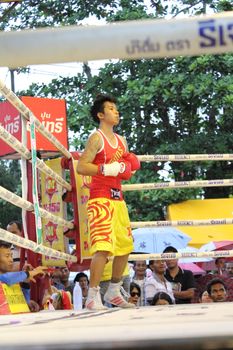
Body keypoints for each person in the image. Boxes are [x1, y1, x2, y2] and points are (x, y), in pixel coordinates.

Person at [77, 94, 140, 310]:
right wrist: (104, 168)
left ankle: (114, 290)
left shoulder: (122, 141)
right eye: (111, 109)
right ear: (101, 115)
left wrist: (126, 167)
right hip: (100, 197)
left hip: (118, 199)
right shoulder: (96, 138)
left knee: (124, 247)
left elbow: (127, 169)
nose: (116, 111)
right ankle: (93, 296)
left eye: (116, 108)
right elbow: (81, 167)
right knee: (103, 247)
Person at [0, 240, 46, 311]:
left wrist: (25, 282)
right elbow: (7, 278)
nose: (11, 260)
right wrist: (28, 273)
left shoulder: (13, 280)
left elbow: (23, 303)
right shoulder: (9, 279)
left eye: (11, 256)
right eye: (7, 256)